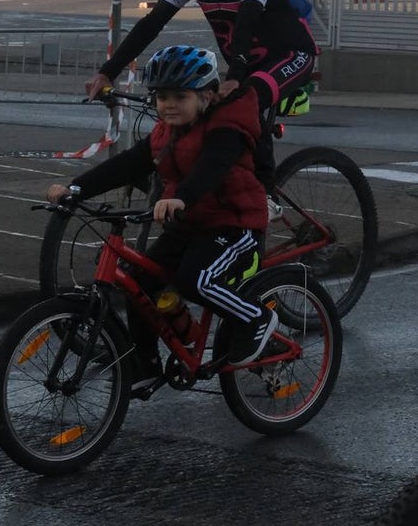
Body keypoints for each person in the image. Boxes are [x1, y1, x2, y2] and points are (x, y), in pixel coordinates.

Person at [48, 45, 278, 394]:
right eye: (161, 97)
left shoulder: (228, 128)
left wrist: (180, 197)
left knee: (195, 280)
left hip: (236, 226)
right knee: (140, 284)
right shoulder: (166, 133)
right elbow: (129, 163)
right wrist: (75, 188)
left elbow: (211, 168)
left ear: (208, 95)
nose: (168, 105)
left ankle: (256, 318)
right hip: (192, 227)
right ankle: (147, 365)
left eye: (179, 96)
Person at [84, 0, 319, 215]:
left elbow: (247, 22)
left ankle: (265, 198)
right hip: (245, 62)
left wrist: (235, 77)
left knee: (244, 102)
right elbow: (153, 23)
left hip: (291, 55)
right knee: (201, 114)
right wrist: (108, 70)